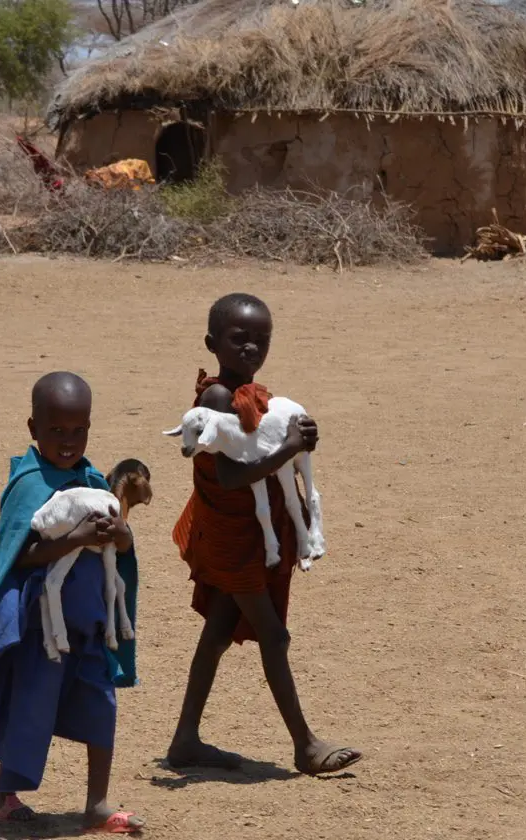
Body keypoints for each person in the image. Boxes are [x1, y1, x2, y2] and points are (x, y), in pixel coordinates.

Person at [166, 293, 363, 776]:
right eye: (239, 339)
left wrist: (302, 438)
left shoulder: (255, 395)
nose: (252, 348)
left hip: (250, 533)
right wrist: (291, 445)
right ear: (213, 343)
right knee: (273, 636)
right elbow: (233, 477)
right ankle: (305, 744)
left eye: (261, 340)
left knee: (216, 632)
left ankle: (185, 741)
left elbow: (265, 445)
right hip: (233, 538)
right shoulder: (215, 399)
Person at [0, 372, 145, 833]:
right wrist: (74, 537)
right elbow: (19, 555)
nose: (68, 441)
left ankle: (97, 803)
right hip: (43, 628)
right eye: (56, 430)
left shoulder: (92, 478)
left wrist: (122, 535)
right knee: (31, 708)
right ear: (33, 428)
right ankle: (5, 795)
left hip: (91, 619)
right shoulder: (29, 485)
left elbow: (120, 549)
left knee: (101, 704)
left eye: (78, 430)